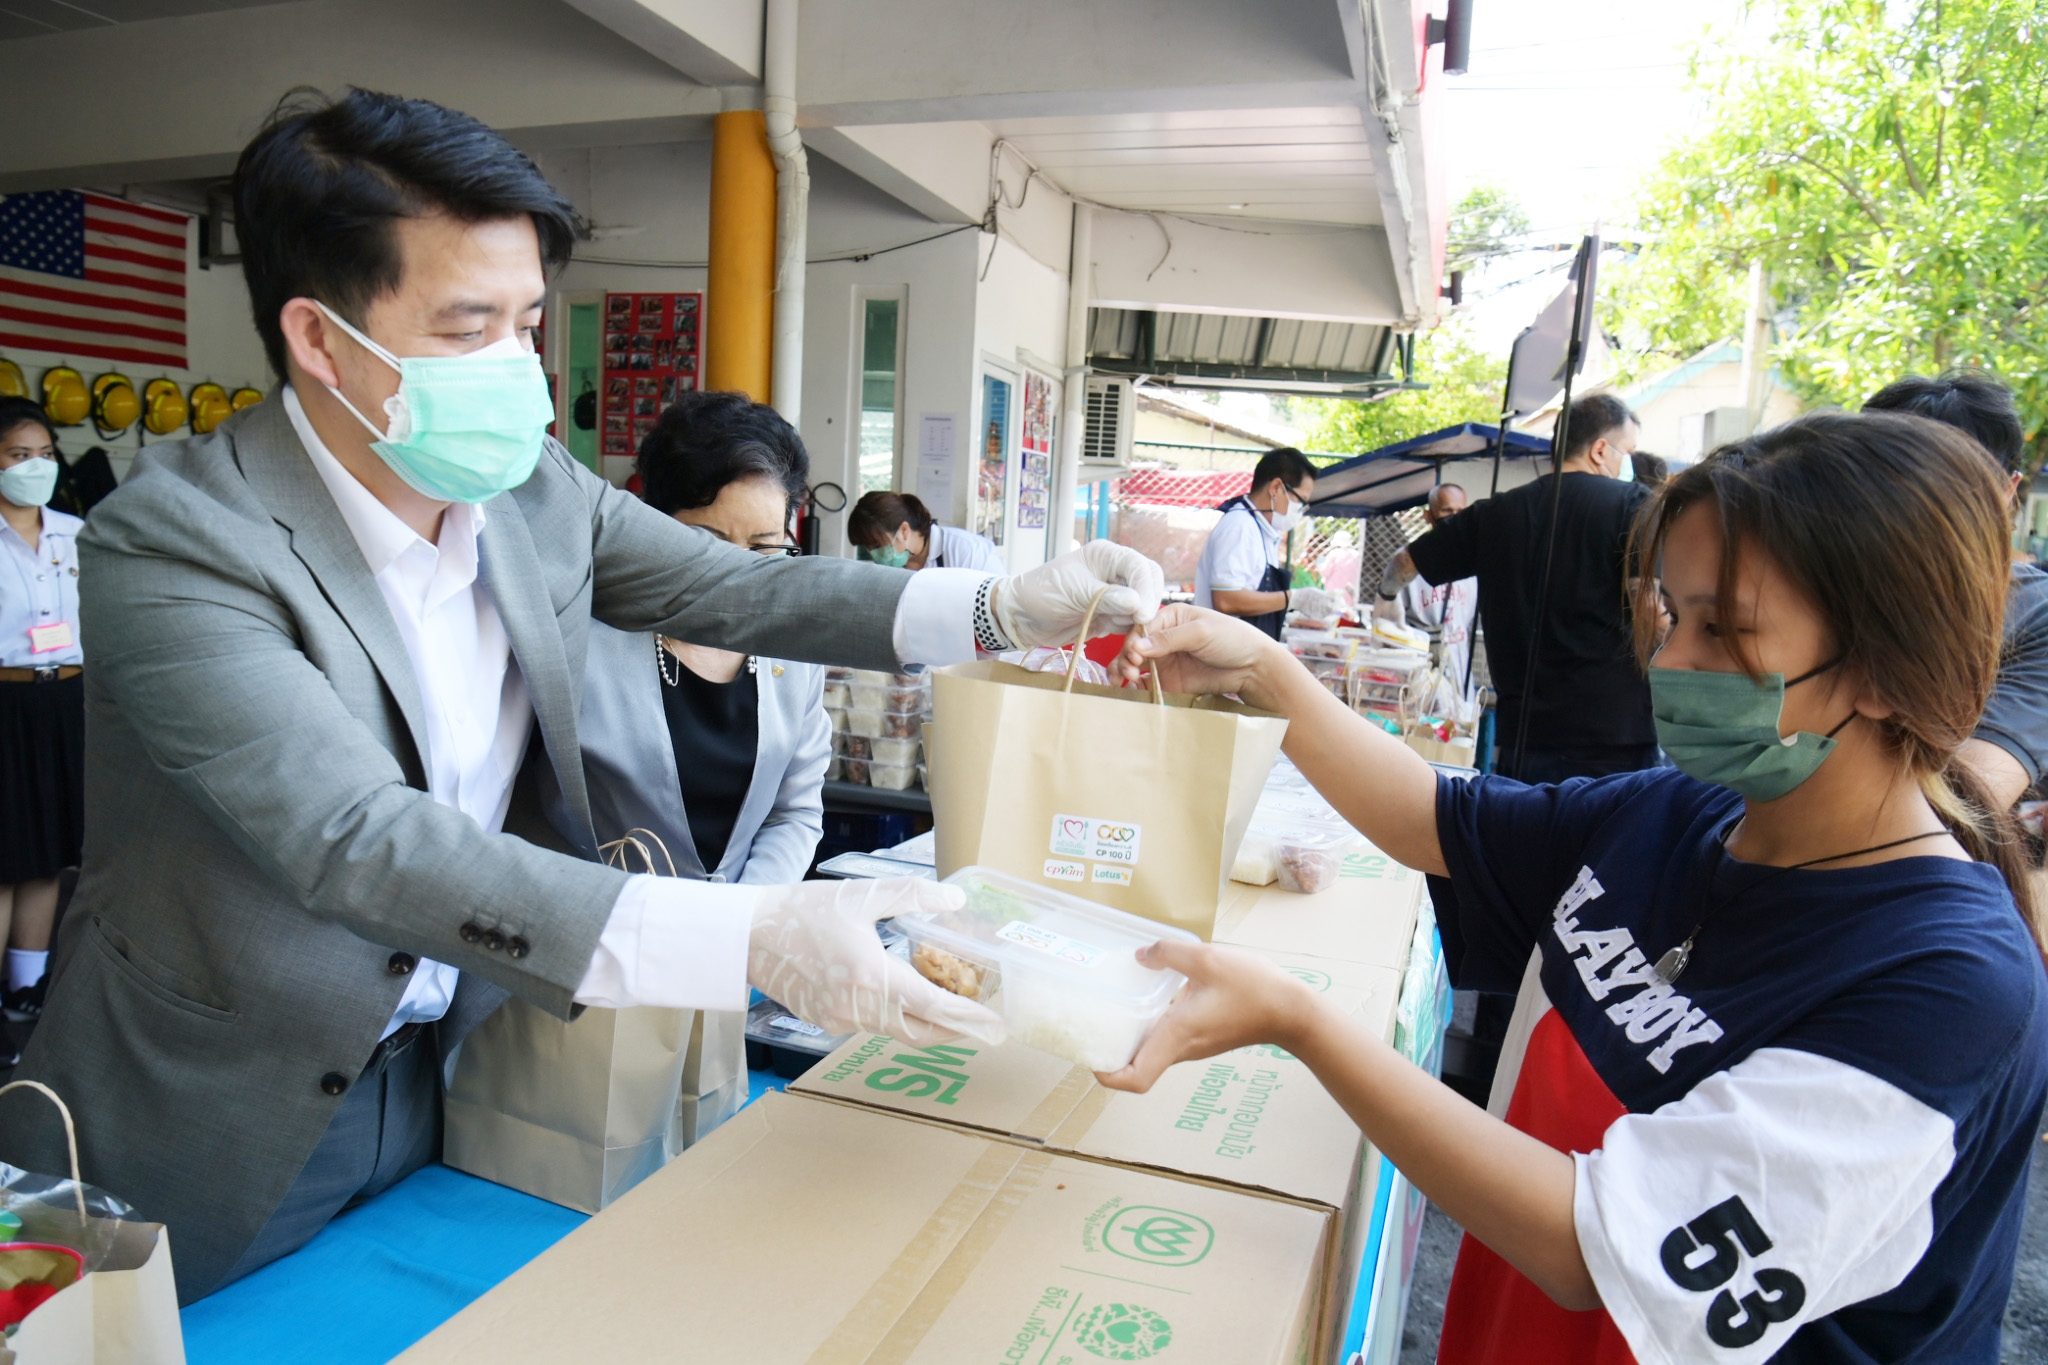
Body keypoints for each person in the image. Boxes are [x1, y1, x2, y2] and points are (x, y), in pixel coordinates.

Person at [0, 88, 1163, 1303]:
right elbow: (356, 841)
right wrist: (754, 938)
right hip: (208, 1107)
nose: (518, 369)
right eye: (468, 328)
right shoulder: (179, 542)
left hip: (445, 1067)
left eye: (527, 323)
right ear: (319, 338)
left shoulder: (526, 492)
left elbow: (732, 588)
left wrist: (1002, 609)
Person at [1112, 412, 2048, 1363]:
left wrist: (1300, 1021)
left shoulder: (1948, 984)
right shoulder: (1674, 813)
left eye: (1725, 629)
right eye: (1673, 615)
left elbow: (1587, 1241)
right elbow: (1431, 815)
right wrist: (1263, 669)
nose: (1672, 661)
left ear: (1887, 669)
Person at [549, 391, 833, 1142]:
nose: (735, 573)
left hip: (721, 972)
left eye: (764, 547)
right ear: (650, 524)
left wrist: (735, 922)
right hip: (587, 976)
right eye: (706, 542)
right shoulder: (580, 636)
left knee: (703, 1157)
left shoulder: (793, 647)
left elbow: (796, 810)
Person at [1387, 392, 1651, 782]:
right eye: (1627, 452)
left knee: (1527, 822)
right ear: (1600, 450)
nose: (1628, 462)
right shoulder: (1634, 504)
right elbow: (1650, 608)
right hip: (1613, 738)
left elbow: (1403, 563)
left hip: (1526, 738)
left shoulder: (1495, 514)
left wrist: (1385, 598)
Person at [1863, 370, 2045, 810]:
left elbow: (1969, 802)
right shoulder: (1807, 579)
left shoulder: (2033, 613)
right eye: (1886, 482)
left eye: (1950, 487)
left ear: (2007, 491)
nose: (1918, 508)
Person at [0, 399, 82, 1058]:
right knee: (5, 857)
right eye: (18, 455)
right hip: (5, 701)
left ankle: (25, 992)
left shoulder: (76, 533)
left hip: (66, 698)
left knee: (50, 854)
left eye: (45, 454)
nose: (36, 467)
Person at [1194, 446, 1339, 638]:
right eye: (1300, 501)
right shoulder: (1239, 526)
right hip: (1220, 648)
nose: (1301, 510)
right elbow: (1226, 600)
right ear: (1276, 488)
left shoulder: (1263, 531)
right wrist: (1293, 598)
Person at [1376, 482, 1479, 715]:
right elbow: (1389, 623)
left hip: (1459, 669)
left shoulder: (1474, 562)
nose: (1454, 518)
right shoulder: (1406, 562)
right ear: (1428, 516)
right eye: (1446, 510)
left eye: (1460, 511)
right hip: (1420, 670)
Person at [847, 490, 1002, 572]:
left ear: (904, 531)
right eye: (868, 548)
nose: (874, 555)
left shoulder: (968, 551)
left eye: (878, 546)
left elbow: (1001, 603)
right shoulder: (891, 571)